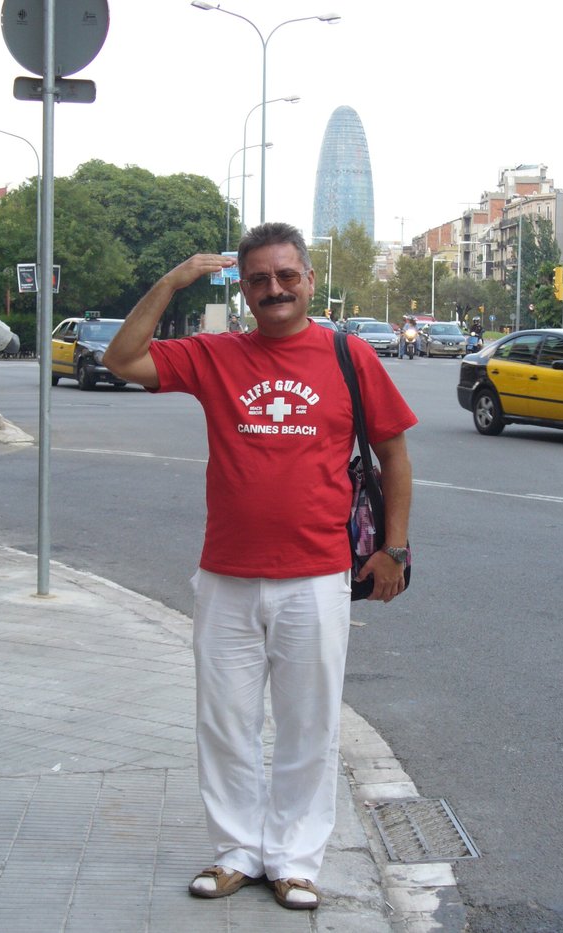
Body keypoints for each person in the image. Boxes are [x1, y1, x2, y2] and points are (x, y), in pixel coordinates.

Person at [102, 222, 416, 912]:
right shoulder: (215, 355)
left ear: (308, 278)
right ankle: (239, 850)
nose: (274, 289)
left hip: (316, 574)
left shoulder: (347, 354)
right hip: (227, 574)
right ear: (242, 289)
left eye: (286, 276)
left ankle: (297, 859)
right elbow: (124, 359)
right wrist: (172, 280)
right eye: (258, 279)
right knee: (224, 720)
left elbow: (392, 454)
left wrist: (393, 549)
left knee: (309, 724)